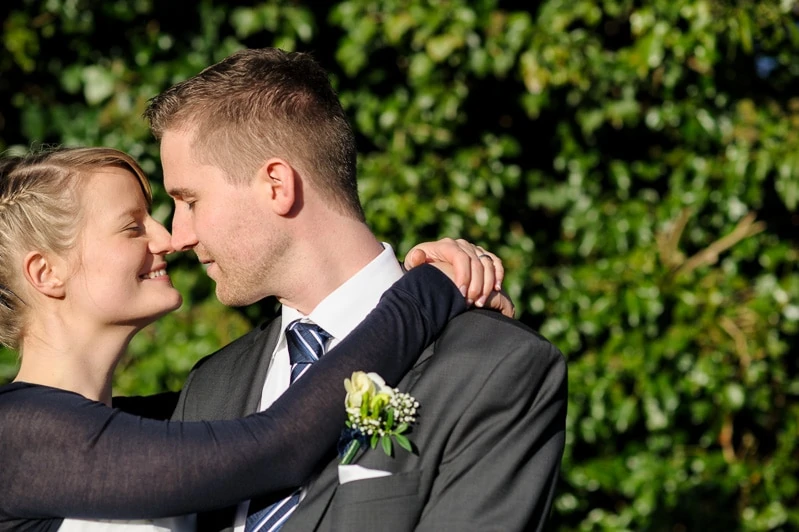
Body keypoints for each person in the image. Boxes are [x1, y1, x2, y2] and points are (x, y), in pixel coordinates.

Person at [144, 47, 567, 532]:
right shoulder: (212, 385)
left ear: (276, 185)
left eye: (189, 200)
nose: (179, 236)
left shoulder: (494, 366)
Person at [0, 147, 509, 531]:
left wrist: (450, 311)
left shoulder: (163, 419)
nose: (168, 240)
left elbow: (304, 391)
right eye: (133, 228)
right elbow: (279, 444)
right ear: (47, 273)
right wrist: (431, 291)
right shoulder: (16, 437)